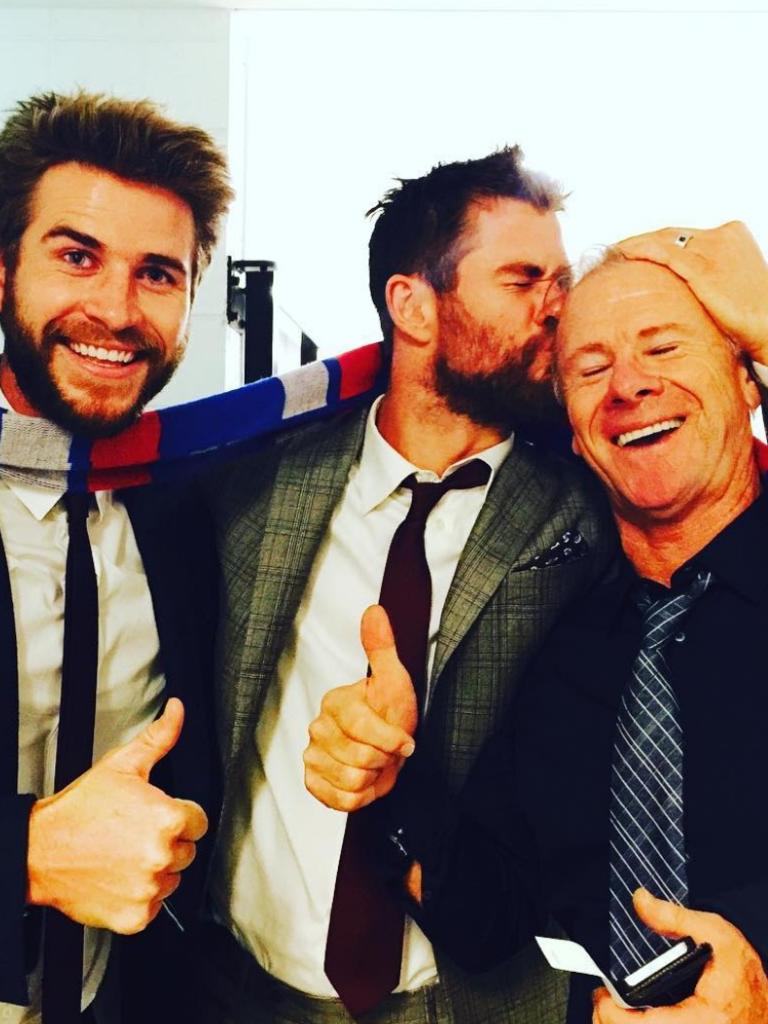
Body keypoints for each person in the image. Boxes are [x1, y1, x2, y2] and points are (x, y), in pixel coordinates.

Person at [304, 222, 768, 1024]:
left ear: (749, 379)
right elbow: (489, 917)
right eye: (592, 368)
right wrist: (388, 786)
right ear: (574, 432)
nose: (629, 385)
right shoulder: (564, 645)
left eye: (663, 349)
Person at [200, 147, 616, 1024]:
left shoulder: (591, 516)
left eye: (562, 281)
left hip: (469, 997)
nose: (559, 309)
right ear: (413, 304)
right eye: (522, 279)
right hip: (240, 986)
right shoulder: (255, 484)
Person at [0, 90, 232, 1023]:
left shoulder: (181, 504)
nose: (115, 310)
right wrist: (25, 857)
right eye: (76, 256)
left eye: (158, 274)